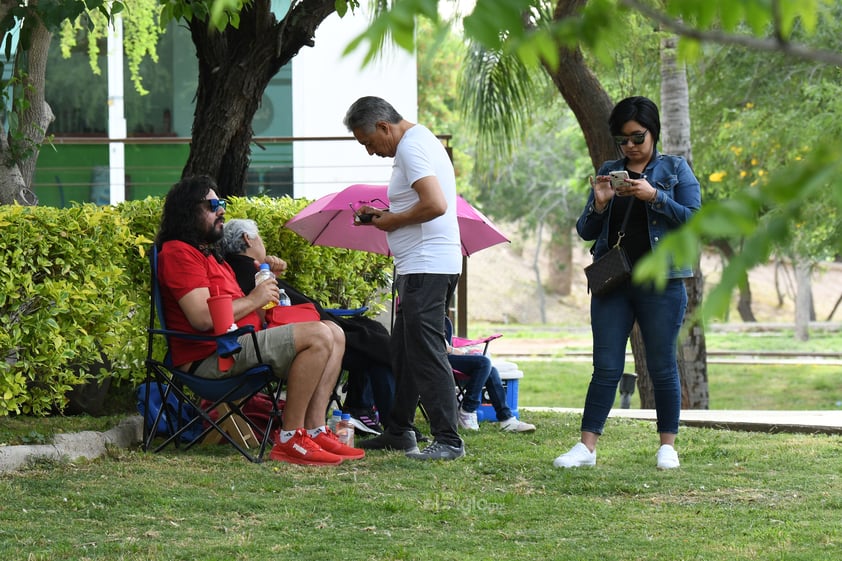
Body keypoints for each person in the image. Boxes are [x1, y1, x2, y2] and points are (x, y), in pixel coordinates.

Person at [155, 175, 365, 466]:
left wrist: (266, 289)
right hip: (213, 356)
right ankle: (290, 437)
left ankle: (315, 431)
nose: (222, 211)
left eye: (222, 203)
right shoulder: (178, 253)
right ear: (188, 210)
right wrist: (255, 298)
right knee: (319, 335)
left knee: (334, 331)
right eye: (213, 204)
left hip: (238, 344)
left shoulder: (211, 257)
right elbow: (203, 318)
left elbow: (241, 308)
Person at [552, 96, 701, 470]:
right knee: (605, 365)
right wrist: (599, 204)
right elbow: (586, 230)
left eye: (637, 137)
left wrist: (655, 196)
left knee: (661, 363)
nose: (630, 146)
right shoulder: (609, 169)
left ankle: (667, 445)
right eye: (623, 140)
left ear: (653, 132)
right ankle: (587, 448)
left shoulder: (675, 169)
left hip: (662, 281)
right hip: (612, 281)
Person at [343, 96, 464, 460]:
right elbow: (421, 202)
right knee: (406, 352)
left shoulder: (411, 148)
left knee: (425, 352)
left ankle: (448, 440)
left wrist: (391, 221)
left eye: (368, 142)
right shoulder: (419, 142)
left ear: (383, 126)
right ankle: (399, 430)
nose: (370, 152)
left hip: (426, 267)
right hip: (424, 265)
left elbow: (435, 204)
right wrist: (382, 213)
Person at [219, 218, 395, 434]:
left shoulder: (244, 269)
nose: (263, 244)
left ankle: (361, 409)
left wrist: (270, 271)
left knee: (372, 332)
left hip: (309, 325)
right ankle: (384, 420)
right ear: (248, 239)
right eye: (260, 238)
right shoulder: (246, 273)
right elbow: (267, 311)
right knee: (378, 347)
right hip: (306, 335)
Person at [448, 346, 536, 433]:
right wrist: (453, 350)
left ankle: (506, 419)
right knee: (483, 363)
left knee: (491, 369)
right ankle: (467, 410)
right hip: (438, 358)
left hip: (447, 354)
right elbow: (436, 342)